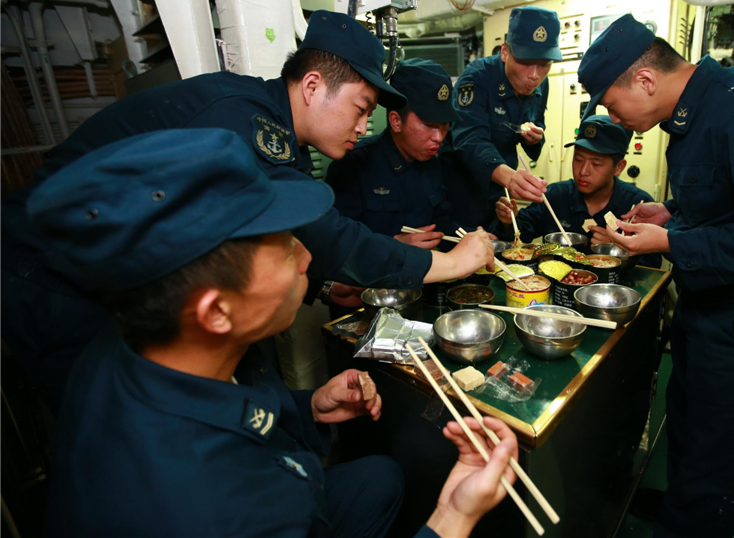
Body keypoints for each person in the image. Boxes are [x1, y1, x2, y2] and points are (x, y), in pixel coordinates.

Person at [35, 128, 517, 538]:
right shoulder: (228, 508)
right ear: (216, 310)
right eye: (286, 248)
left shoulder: (120, 351)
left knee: (380, 477)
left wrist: (307, 408)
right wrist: (454, 514)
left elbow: (226, 407)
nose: (307, 258)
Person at [0, 10, 493, 410]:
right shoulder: (247, 121)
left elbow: (284, 237)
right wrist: (453, 263)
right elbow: (328, 235)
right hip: (50, 273)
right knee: (108, 425)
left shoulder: (279, 133)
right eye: (362, 108)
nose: (365, 126)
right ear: (313, 86)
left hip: (105, 272)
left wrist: (323, 282)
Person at [577, 15, 734, 537]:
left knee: (722, 446)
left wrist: (674, 242)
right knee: (690, 420)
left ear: (644, 81)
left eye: (610, 104)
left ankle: (697, 522)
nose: (614, 117)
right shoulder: (696, 113)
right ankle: (681, 508)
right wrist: (673, 215)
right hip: (710, 304)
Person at [440, 6, 562, 228]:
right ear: (505, 52)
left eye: (544, 64)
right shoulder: (477, 78)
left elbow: (538, 125)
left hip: (500, 190)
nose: (534, 75)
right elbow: (469, 139)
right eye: (525, 62)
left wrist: (534, 139)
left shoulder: (542, 85)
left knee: (501, 247)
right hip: (463, 188)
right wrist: (510, 177)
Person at [491, 114, 662, 268]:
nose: (583, 171)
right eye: (578, 159)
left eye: (596, 164)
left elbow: (652, 266)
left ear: (619, 167)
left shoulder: (637, 205)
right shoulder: (555, 195)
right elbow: (521, 234)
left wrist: (618, 249)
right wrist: (508, 219)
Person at [326, 58, 461, 249]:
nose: (439, 137)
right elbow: (336, 245)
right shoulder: (353, 166)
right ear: (396, 121)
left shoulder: (431, 162)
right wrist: (392, 246)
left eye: (445, 125)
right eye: (429, 125)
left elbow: (442, 223)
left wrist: (470, 239)